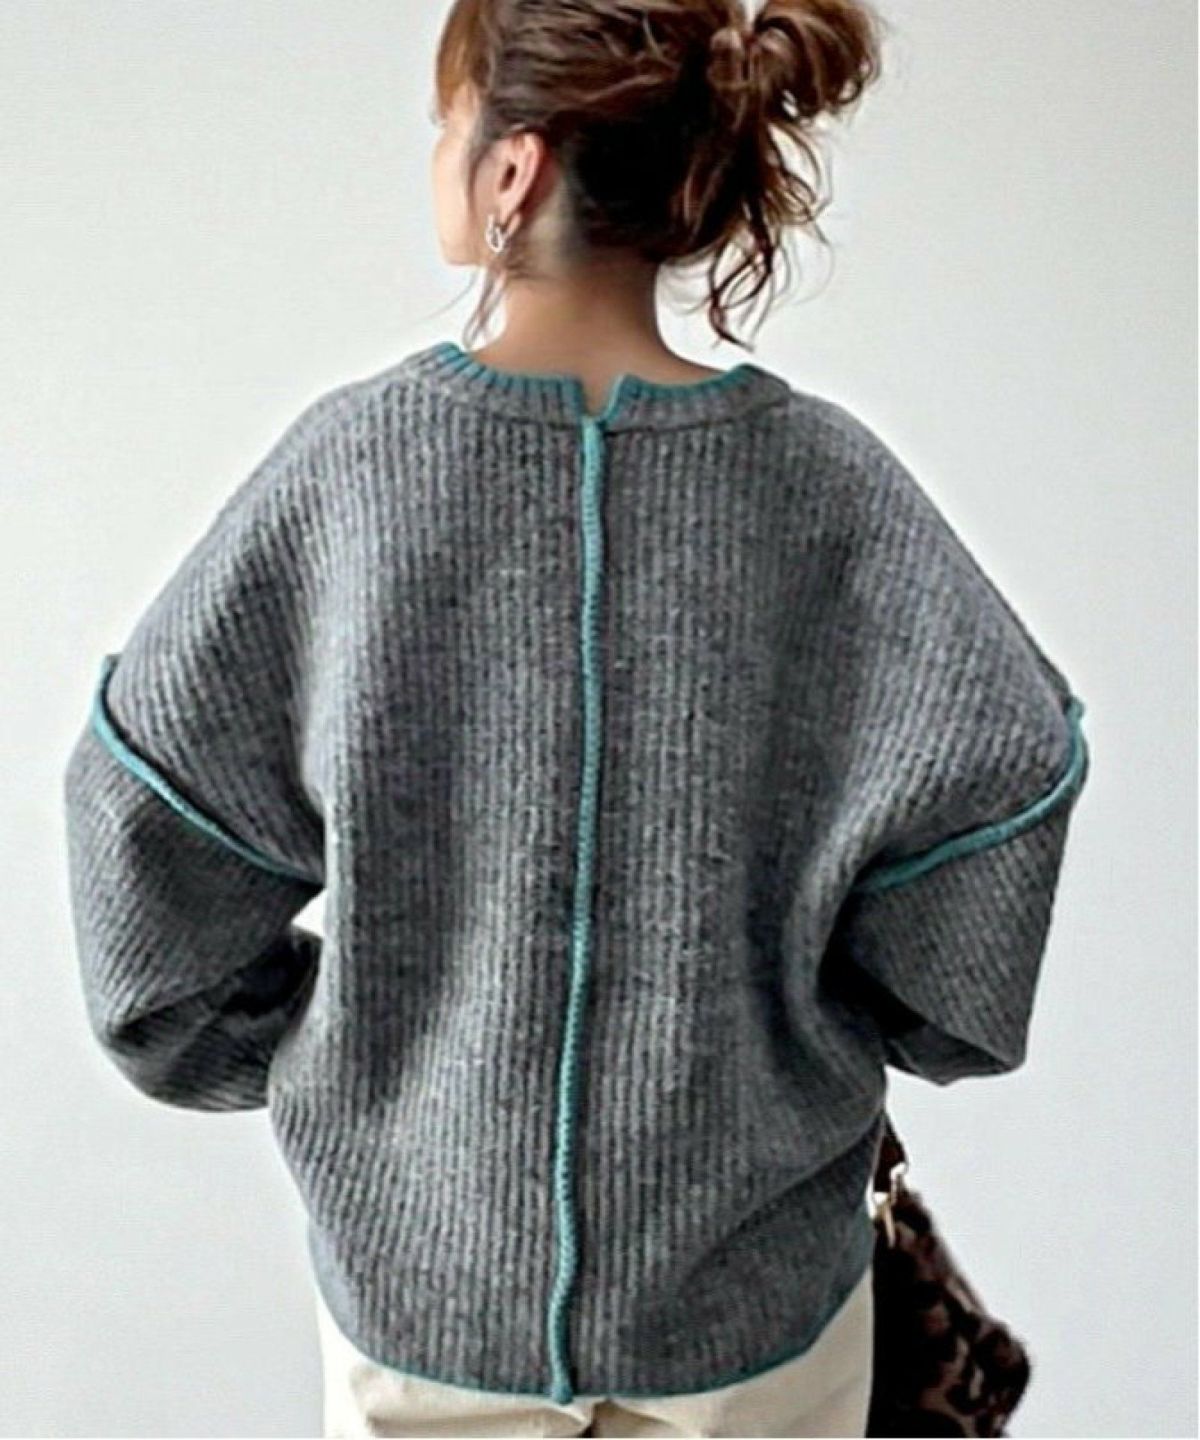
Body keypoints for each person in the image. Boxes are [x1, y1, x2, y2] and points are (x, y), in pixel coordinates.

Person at [61, 0, 1092, 1436]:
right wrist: (813, 1028)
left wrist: (353, 1072)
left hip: (426, 1318)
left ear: (513, 167)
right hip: (758, 1314)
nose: (437, 151)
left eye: (447, 123)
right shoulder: (826, 488)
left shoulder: (356, 475)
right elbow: (1006, 790)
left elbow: (149, 837)